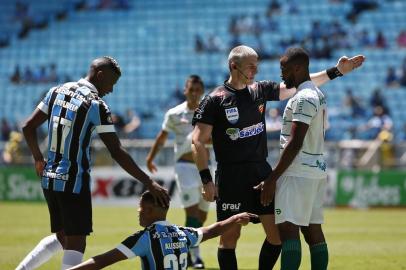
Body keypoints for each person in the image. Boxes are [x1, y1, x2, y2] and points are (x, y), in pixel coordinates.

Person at [191, 45, 365, 270]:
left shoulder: (259, 90)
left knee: (277, 236)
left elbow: (298, 83)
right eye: (250, 66)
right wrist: (206, 180)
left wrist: (337, 71)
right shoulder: (215, 99)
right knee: (229, 238)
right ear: (233, 66)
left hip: (261, 173)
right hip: (231, 175)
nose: (255, 70)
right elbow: (197, 140)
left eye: (257, 66)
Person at [18, 56, 170, 270]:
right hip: (72, 180)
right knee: (76, 243)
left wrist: (38, 158)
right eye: (111, 83)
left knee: (63, 237)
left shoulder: (56, 91)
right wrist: (148, 181)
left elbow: (27, 127)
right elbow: (116, 151)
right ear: (100, 75)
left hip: (50, 178)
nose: (111, 90)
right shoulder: (95, 104)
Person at [254, 47, 364, 270]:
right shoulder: (316, 93)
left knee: (288, 231)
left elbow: (296, 142)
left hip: (297, 172)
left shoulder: (304, 98)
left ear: (297, 68)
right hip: (315, 171)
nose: (281, 74)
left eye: (284, 69)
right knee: (314, 231)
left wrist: (273, 178)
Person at [68, 191, 257, 270]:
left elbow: (102, 260)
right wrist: (234, 218)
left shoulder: (145, 238)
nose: (138, 213)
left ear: (149, 211)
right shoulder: (183, 233)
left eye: (140, 209)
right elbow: (211, 231)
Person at [146, 75, 209, 269]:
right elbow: (162, 136)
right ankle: (194, 257)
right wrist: (150, 158)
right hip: (184, 167)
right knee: (192, 213)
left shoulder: (209, 112)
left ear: (202, 91)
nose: (195, 93)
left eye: (198, 89)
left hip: (206, 167)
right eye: (192, 89)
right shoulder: (174, 113)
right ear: (185, 90)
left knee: (202, 215)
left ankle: (189, 249)